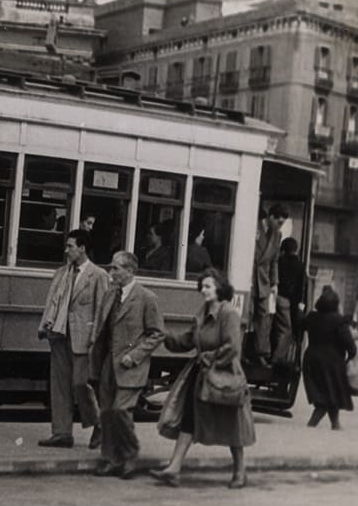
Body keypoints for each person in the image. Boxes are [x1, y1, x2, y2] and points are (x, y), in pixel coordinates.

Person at [149, 268, 256, 489]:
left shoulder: (229, 314)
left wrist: (209, 358)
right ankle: (174, 468)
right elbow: (189, 340)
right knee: (189, 418)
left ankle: (240, 471)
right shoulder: (204, 312)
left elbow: (233, 346)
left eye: (207, 286)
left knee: (232, 425)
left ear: (219, 288)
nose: (203, 290)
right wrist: (165, 337)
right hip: (201, 376)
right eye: (202, 286)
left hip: (224, 376)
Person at [89, 250, 166, 479]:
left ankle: (130, 454)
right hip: (107, 364)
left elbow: (157, 333)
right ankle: (111, 459)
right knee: (106, 413)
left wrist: (134, 355)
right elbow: (103, 326)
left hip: (130, 366)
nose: (111, 272)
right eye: (111, 268)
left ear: (130, 271)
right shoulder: (110, 294)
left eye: (116, 268)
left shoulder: (146, 298)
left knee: (121, 411)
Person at [37, 229, 109, 449]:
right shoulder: (61, 273)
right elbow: (52, 302)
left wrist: (96, 340)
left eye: (70, 246)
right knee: (59, 385)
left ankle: (99, 424)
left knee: (80, 383)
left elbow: (102, 310)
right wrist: (44, 326)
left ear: (82, 248)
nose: (66, 250)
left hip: (83, 338)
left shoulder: (98, 275)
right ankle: (61, 433)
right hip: (59, 334)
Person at [301, 286, 356, 430]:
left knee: (330, 393)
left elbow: (299, 327)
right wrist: (350, 356)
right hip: (331, 363)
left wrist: (299, 311)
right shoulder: (339, 321)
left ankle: (335, 424)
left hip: (311, 361)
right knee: (328, 396)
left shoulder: (312, 317)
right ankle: (311, 425)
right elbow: (349, 344)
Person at [252, 205, 288, 367]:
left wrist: (275, 283)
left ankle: (261, 354)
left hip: (264, 282)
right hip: (250, 278)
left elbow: (274, 262)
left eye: (283, 222)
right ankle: (243, 351)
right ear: (270, 218)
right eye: (279, 221)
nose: (280, 225)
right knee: (248, 314)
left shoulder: (277, 235)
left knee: (265, 317)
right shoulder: (254, 225)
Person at [273, 237, 306, 368]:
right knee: (286, 330)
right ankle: (277, 358)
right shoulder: (300, 265)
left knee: (273, 328)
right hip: (286, 301)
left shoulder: (279, 261)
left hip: (273, 297)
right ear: (296, 249)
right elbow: (300, 288)